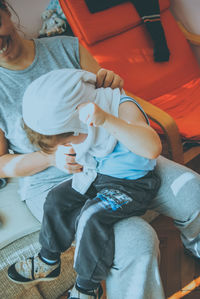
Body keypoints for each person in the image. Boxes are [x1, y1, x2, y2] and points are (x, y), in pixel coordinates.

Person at [0, 1, 200, 298]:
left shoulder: (67, 49)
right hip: (53, 177)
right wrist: (49, 156)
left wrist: (114, 84)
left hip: (112, 155)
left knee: (191, 190)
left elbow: (113, 100)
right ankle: (81, 286)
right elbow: (3, 164)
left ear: (7, 13)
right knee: (135, 241)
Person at [7, 68, 162, 298]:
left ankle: (86, 287)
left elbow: (152, 148)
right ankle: (48, 259)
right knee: (56, 198)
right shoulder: (72, 118)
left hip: (133, 185)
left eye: (69, 139)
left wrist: (107, 120)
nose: (70, 144)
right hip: (99, 175)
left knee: (91, 216)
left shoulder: (119, 106)